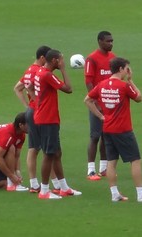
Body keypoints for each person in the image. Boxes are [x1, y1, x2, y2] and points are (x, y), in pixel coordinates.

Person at [85, 57, 142, 203]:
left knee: (111, 162)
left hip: (107, 129)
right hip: (123, 130)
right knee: (135, 160)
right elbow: (139, 98)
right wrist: (131, 80)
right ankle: (141, 194)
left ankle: (114, 194)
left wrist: (101, 116)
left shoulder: (102, 84)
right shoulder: (123, 86)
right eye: (127, 68)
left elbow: (87, 100)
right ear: (120, 69)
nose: (128, 71)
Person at [33, 49, 81, 199]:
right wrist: (64, 70)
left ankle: (64, 187)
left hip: (46, 117)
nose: (63, 62)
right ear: (54, 61)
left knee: (56, 153)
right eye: (61, 59)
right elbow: (68, 89)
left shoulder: (40, 72)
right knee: (49, 154)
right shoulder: (47, 75)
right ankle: (44, 191)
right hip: (47, 119)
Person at [12, 45, 60, 193]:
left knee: (37, 148)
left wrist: (28, 106)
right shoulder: (38, 72)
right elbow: (29, 89)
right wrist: (35, 104)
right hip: (39, 113)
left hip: (32, 112)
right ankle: (52, 184)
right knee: (45, 148)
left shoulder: (29, 70)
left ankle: (36, 183)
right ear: (42, 58)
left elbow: (18, 88)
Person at [84, 31, 116, 181]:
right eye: (108, 41)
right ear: (100, 42)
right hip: (97, 105)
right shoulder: (92, 59)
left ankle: (103, 168)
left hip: (110, 104)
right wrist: (95, 101)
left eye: (112, 41)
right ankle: (91, 169)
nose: (111, 43)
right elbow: (88, 81)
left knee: (106, 135)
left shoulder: (113, 58)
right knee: (95, 136)